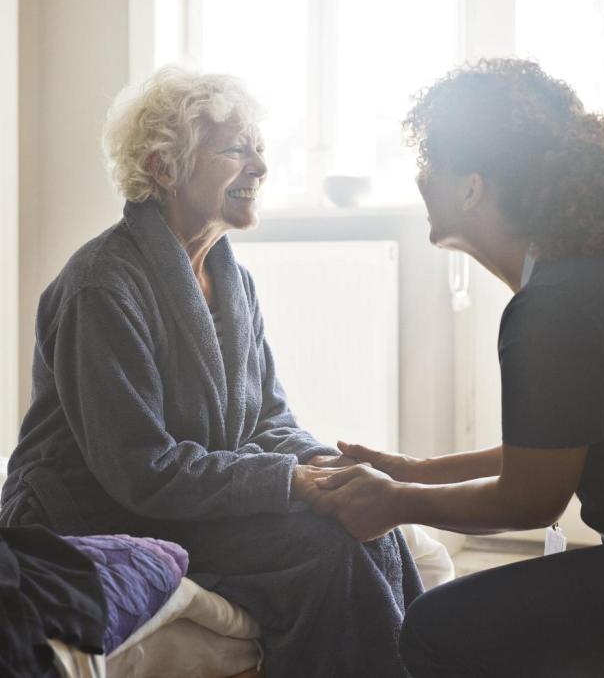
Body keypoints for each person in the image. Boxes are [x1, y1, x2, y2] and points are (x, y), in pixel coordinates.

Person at [0, 66, 422, 678]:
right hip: (86, 512)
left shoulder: (231, 279)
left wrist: (328, 470)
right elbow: (139, 469)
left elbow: (268, 417)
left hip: (182, 499)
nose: (259, 166)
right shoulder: (101, 286)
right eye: (234, 149)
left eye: (260, 149)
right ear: (163, 168)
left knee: (369, 526)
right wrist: (289, 483)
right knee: (322, 551)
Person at [307, 59, 604, 677]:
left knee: (437, 629)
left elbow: (531, 499)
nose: (418, 176)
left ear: (473, 187)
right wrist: (419, 472)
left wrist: (398, 502)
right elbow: (553, 448)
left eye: (430, 159)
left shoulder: (556, 305)